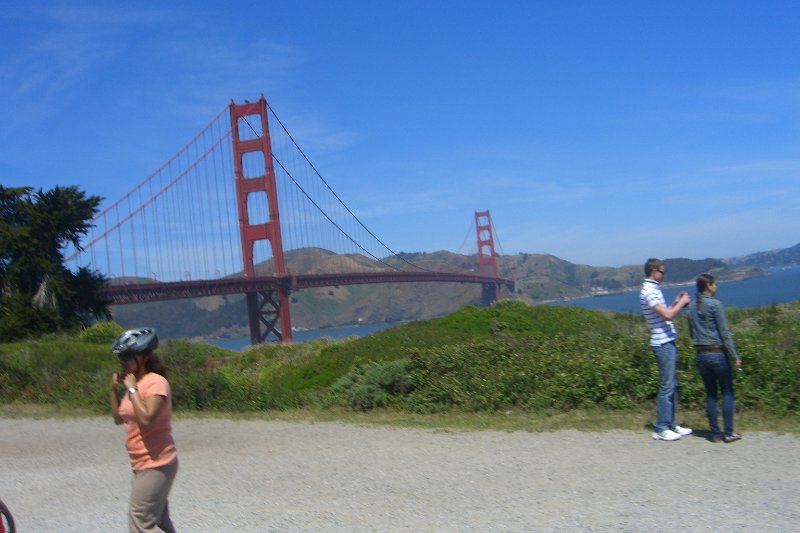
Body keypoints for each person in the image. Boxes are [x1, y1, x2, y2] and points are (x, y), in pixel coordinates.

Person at [109, 328, 178, 532]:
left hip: (157, 462)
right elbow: (118, 419)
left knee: (140, 522)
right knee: (159, 521)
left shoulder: (156, 382)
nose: (123, 361)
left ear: (144, 356)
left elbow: (147, 419)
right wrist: (114, 390)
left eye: (128, 356)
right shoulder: (134, 384)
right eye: (121, 357)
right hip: (141, 463)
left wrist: (132, 389)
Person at [640, 258, 693, 441]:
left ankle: (670, 423)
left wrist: (675, 302)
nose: (664, 275)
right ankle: (661, 427)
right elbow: (668, 315)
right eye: (662, 272)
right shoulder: (649, 291)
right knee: (667, 385)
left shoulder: (653, 289)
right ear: (654, 271)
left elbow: (664, 314)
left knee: (672, 384)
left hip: (666, 341)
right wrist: (681, 303)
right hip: (662, 343)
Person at [686, 274, 743, 443]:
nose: (716, 287)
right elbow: (724, 333)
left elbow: (692, 333)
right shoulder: (715, 305)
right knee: (727, 392)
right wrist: (735, 356)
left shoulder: (690, 307)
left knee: (710, 394)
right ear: (709, 286)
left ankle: (715, 433)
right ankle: (728, 432)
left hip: (701, 354)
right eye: (714, 284)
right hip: (717, 353)